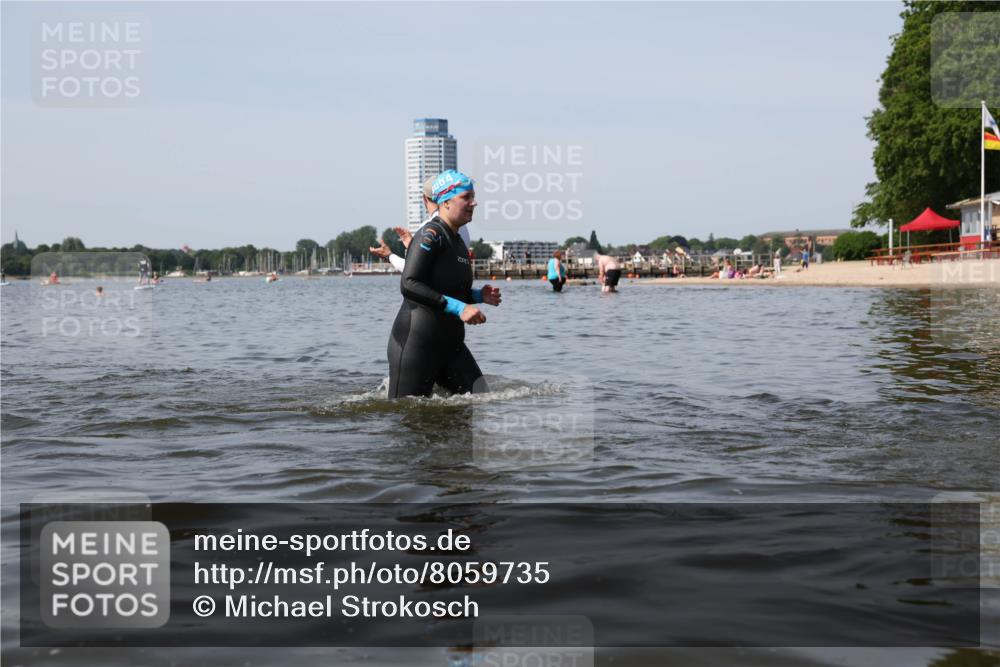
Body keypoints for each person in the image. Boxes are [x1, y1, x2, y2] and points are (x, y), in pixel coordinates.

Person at [387, 170, 501, 398]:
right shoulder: (430, 235)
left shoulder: (457, 241)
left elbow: (449, 290)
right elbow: (409, 283)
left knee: (481, 400)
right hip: (417, 343)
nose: (474, 203)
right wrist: (460, 308)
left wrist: (479, 296)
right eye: (466, 197)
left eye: (473, 197)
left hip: (451, 345)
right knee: (407, 420)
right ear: (446, 202)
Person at [371, 174, 472, 271]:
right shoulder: (461, 226)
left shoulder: (429, 227)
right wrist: (414, 245)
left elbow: (412, 270)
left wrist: (389, 256)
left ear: (424, 198)